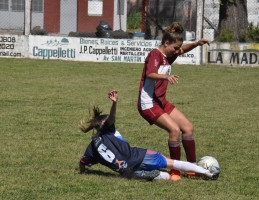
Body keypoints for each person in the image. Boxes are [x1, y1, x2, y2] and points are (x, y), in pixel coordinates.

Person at [78, 90, 219, 181]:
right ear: (105, 125)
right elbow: (112, 118)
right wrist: (114, 104)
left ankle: (157, 175)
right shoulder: (109, 131)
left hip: (127, 171)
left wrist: (82, 171)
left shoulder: (92, 148)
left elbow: (82, 163)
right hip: (140, 155)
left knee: (166, 176)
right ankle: (206, 172)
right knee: (173, 163)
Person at [137, 22, 210, 180]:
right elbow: (150, 73)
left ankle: (192, 168)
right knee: (174, 130)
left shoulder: (168, 55)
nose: (178, 51)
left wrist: (197, 43)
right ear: (166, 43)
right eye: (175, 48)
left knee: (188, 128)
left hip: (161, 101)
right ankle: (175, 170)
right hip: (148, 103)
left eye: (179, 48)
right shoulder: (155, 55)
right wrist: (166, 76)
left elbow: (184, 49)